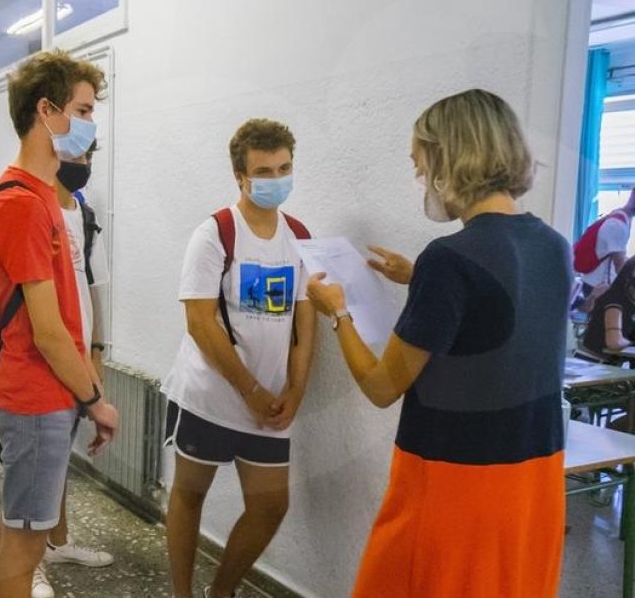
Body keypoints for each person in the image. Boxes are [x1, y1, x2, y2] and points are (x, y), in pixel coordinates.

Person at [307, 89, 569, 598]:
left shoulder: (449, 259)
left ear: (452, 157)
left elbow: (383, 387)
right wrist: (419, 279)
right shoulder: (553, 245)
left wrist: (336, 312)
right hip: (534, 479)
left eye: (422, 165)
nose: (422, 180)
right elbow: (496, 319)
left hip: (457, 482)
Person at [0, 50, 119, 598]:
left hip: (45, 393)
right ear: (47, 110)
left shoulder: (41, 197)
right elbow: (48, 329)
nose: (88, 124)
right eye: (82, 111)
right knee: (25, 546)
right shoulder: (22, 204)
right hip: (38, 395)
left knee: (18, 528)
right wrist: (94, 399)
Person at [162, 119, 317, 598]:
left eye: (285, 167)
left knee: (271, 506)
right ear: (241, 177)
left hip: (270, 406)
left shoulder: (299, 235)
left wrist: (295, 390)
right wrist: (249, 390)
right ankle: (183, 592)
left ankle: (221, 591)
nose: (277, 178)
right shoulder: (215, 233)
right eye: (264, 170)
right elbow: (200, 322)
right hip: (211, 395)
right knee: (190, 495)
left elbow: (304, 319)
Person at [25, 140, 115, 598]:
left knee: (60, 457)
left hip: (79, 356)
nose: (82, 166)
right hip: (40, 358)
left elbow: (92, 287)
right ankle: (30, 563)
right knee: (32, 464)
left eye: (88, 159)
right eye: (75, 156)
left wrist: (96, 352)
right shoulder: (34, 208)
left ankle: (55, 542)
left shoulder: (83, 213)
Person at [574, 192, 635, 310]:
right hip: (599, 287)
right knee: (604, 325)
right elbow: (620, 266)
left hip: (594, 282)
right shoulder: (618, 225)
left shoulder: (619, 215)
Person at [579, 259, 635, 361]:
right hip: (594, 363)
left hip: (609, 363)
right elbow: (614, 342)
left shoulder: (628, 299)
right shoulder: (615, 301)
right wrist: (630, 342)